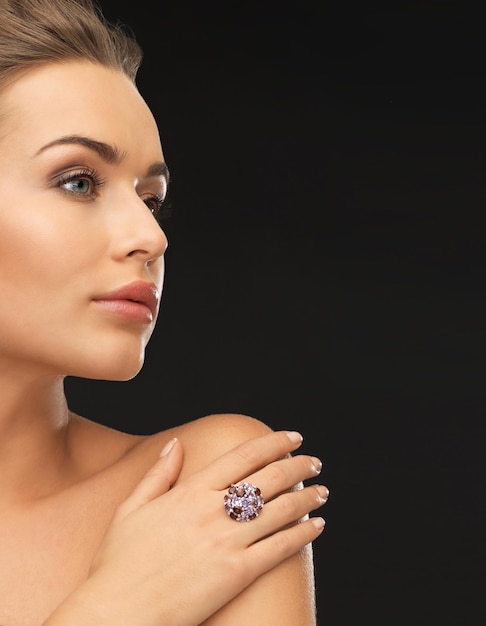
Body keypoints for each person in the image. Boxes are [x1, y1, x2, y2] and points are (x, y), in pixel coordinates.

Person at [0, 0, 329, 624]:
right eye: (78, 180)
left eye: (150, 198)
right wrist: (120, 606)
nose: (151, 237)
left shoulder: (210, 486)